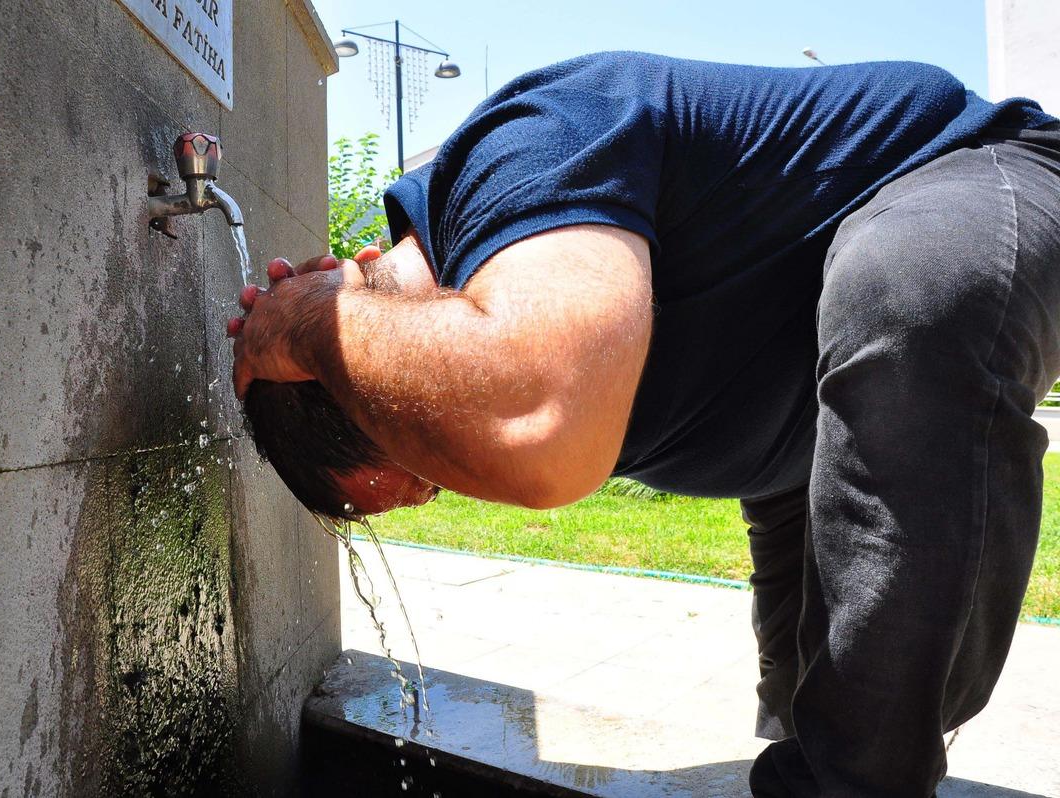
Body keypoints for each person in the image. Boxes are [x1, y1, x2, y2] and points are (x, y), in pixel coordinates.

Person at [227, 52, 1060, 796]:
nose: (452, 481)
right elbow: (773, 481)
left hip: (974, 178)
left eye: (421, 461)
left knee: (911, 288)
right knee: (803, 701)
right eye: (432, 487)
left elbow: (538, 428)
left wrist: (312, 321)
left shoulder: (520, 148)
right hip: (800, 432)